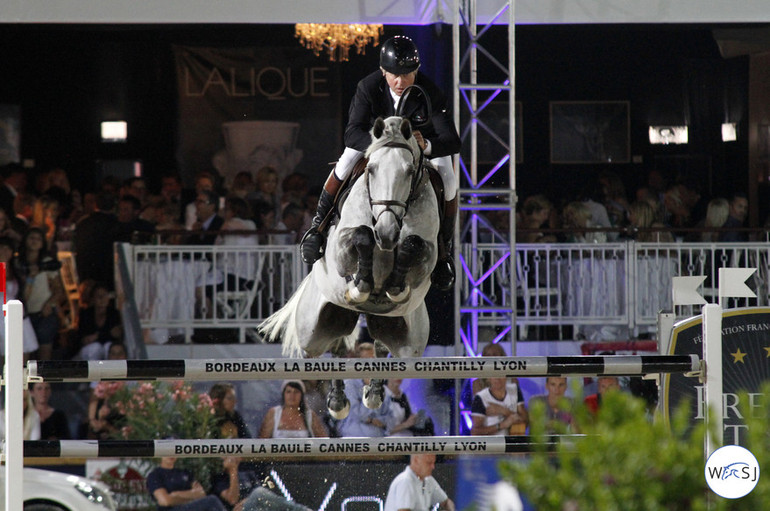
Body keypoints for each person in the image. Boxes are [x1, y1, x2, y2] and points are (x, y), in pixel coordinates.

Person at [300, 35, 461, 291]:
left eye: (408, 74)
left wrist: (426, 146)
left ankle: (444, 251)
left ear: (416, 70)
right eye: (394, 74)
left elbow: (451, 140)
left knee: (448, 175)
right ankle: (317, 228)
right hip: (377, 148)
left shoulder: (430, 91)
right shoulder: (368, 87)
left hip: (421, 147)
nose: (400, 81)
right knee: (346, 160)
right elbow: (352, 133)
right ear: (383, 71)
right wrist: (381, 146)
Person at [14, 226, 66, 361]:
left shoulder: (47, 263)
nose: (34, 241)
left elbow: (58, 289)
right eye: (31, 238)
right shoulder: (16, 262)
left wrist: (49, 304)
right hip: (23, 314)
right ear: (25, 240)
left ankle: (42, 382)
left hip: (44, 312)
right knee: (23, 351)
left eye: (38, 239)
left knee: (44, 352)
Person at [336, 342, 393, 437]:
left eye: (373, 359)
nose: (371, 363)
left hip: (378, 437)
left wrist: (380, 421)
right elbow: (356, 414)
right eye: (366, 359)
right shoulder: (349, 384)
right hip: (354, 437)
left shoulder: (380, 385)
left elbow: (389, 415)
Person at [146, 456, 227, 511]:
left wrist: (176, 494)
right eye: (167, 451)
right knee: (212, 501)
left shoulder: (185, 472)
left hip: (189, 508)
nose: (170, 454)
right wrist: (191, 495)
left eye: (173, 451)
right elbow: (165, 501)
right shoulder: (155, 475)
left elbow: (201, 494)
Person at [258, 380, 328, 438]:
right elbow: (262, 442)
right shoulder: (274, 413)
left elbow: (324, 442)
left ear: (302, 395)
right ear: (283, 394)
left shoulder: (309, 415)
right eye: (289, 392)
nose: (292, 396)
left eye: (296, 392)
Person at [383, 454, 455, 511]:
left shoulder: (429, 480)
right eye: (429, 463)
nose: (433, 467)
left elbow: (446, 502)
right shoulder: (405, 481)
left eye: (433, 463)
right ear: (416, 460)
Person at [74, 281, 122, 360]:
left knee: (109, 347)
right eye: (98, 296)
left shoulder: (113, 313)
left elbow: (115, 334)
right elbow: (82, 336)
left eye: (104, 295)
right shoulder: (86, 314)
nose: (102, 299)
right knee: (95, 348)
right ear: (93, 298)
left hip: (106, 345)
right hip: (89, 349)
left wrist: (97, 336)